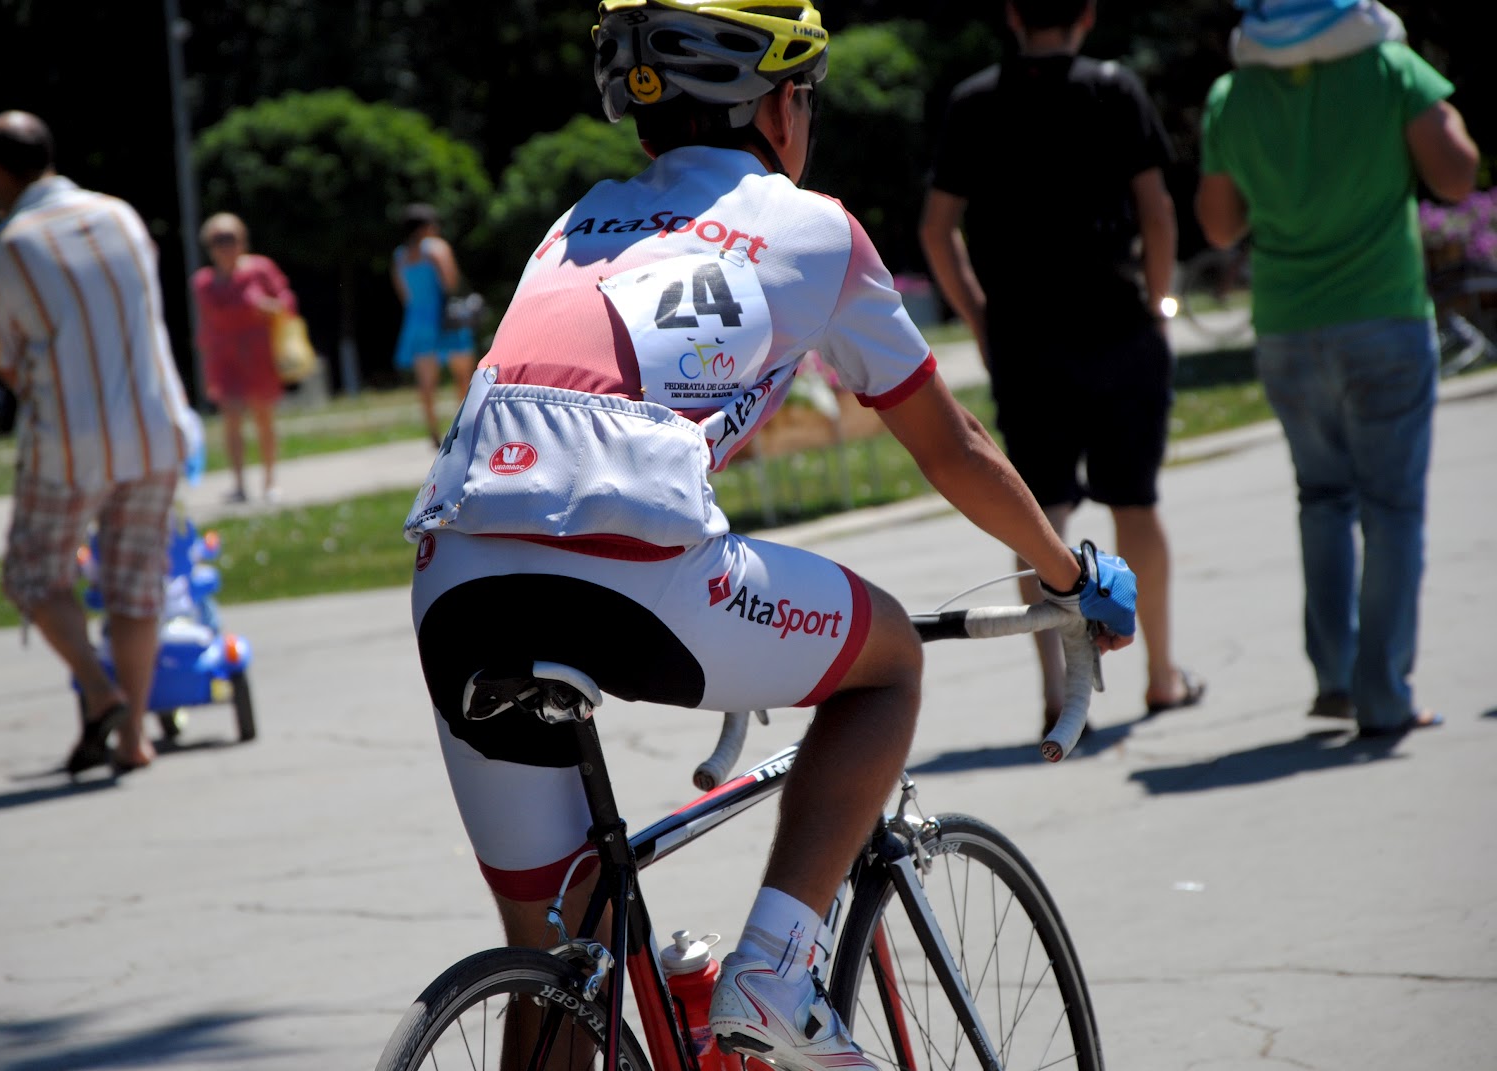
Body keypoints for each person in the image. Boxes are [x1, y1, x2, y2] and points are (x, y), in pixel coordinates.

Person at [404, 4, 1137, 1070]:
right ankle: (774, 972)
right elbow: (952, 445)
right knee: (887, 658)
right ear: (781, 107)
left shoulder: (576, 223)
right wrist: (1067, 572)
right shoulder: (815, 230)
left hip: (456, 577)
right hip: (637, 577)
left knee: (564, 958)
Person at [918, 0, 1203, 735]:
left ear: (1011, 15)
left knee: (1039, 516)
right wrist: (1159, 304)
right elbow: (1157, 212)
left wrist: (979, 316)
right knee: (1135, 503)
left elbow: (937, 228)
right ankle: (1161, 676)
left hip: (1025, 339)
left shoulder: (976, 102)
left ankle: (1056, 689)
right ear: (1088, 14)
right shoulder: (1115, 89)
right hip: (1118, 324)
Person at [1195, 0, 1479, 737]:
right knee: (1392, 508)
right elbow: (1456, 176)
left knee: (1322, 499)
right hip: (1383, 312)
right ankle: (1383, 694)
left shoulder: (1233, 92)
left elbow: (1220, 224)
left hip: (1287, 325)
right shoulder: (1389, 67)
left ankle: (1335, 680)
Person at [0, 110, 199, 774]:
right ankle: (134, 741)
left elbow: (3, 360)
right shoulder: (120, 216)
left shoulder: (3, 251)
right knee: (136, 585)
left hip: (69, 441)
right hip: (156, 428)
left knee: (33, 572)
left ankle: (101, 693)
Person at [191, 212, 296, 503]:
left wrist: (270, 307)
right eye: (218, 239)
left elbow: (286, 301)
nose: (225, 245)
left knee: (264, 418)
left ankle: (270, 481)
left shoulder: (261, 268)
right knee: (232, 421)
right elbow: (211, 321)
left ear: (243, 240)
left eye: (230, 238)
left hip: (259, 355)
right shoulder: (203, 282)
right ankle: (239, 485)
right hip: (225, 358)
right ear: (209, 246)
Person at [392, 203, 476, 446]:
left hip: (418, 320)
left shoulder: (400, 256)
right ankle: (464, 428)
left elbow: (405, 295)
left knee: (427, 383)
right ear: (426, 227)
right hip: (445, 318)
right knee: (463, 376)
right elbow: (450, 282)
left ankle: (433, 433)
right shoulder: (437, 248)